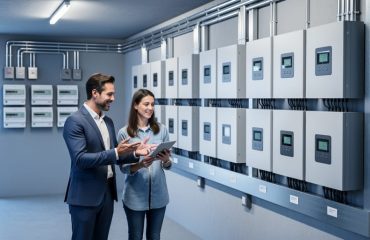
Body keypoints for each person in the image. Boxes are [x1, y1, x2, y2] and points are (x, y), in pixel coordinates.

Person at [63, 73, 150, 240]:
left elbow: (114, 157)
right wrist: (116, 151)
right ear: (95, 93)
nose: (113, 98)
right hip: (84, 197)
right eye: (109, 94)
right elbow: (80, 159)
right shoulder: (75, 121)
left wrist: (135, 153)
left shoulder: (108, 122)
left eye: (114, 94)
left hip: (106, 195)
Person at [117, 89, 172, 240]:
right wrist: (141, 165)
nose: (150, 108)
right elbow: (123, 168)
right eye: (146, 104)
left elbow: (168, 165)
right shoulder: (124, 133)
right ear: (136, 105)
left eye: (152, 104)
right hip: (134, 197)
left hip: (159, 195)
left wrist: (166, 160)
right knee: (135, 236)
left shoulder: (162, 130)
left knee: (154, 237)